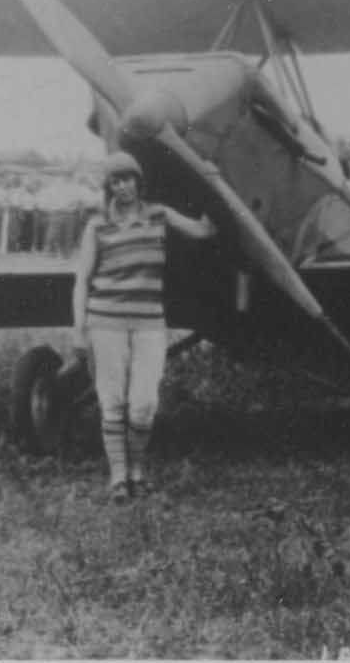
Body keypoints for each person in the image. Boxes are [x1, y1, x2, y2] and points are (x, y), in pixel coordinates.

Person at [72, 151, 214, 501]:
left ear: (139, 181)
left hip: (149, 322)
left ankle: (138, 470)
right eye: (116, 181)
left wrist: (211, 182)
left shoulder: (159, 215)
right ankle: (120, 478)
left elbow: (202, 230)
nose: (124, 186)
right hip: (105, 322)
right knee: (112, 401)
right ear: (109, 188)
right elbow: (82, 279)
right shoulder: (97, 225)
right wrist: (79, 329)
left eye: (129, 178)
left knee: (144, 403)